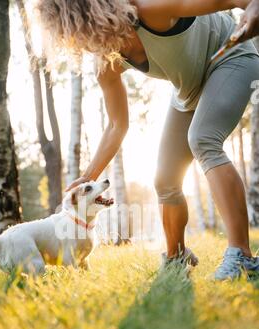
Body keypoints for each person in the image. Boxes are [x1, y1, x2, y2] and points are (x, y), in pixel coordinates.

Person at [38, 0, 259, 280]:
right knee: (165, 178)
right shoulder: (107, 63)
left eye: (76, 33)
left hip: (232, 58)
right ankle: (176, 257)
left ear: (90, 17)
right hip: (189, 92)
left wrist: (252, 6)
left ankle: (242, 256)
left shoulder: (149, 8)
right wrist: (87, 177)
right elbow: (117, 126)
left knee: (203, 140)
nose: (79, 45)